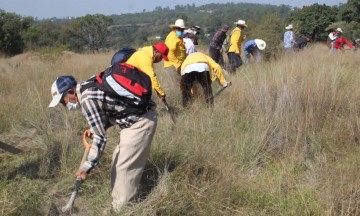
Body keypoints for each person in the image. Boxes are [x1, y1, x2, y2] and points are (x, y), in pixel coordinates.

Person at [48, 43, 169, 212]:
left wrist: (85, 168)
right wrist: (100, 126)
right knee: (117, 161)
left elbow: (100, 138)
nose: (65, 105)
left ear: (70, 92)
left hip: (140, 123)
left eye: (63, 101)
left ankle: (124, 210)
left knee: (124, 168)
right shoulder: (87, 84)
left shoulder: (86, 100)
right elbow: (116, 106)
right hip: (134, 121)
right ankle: (116, 205)